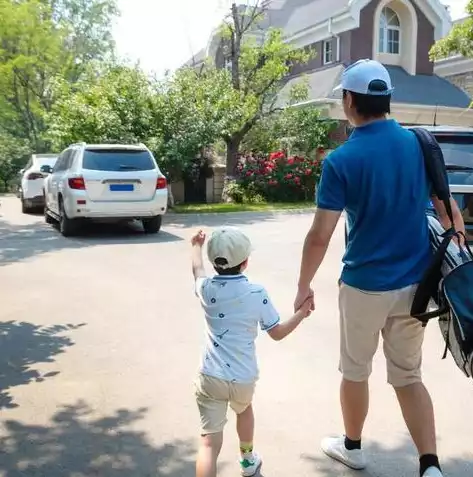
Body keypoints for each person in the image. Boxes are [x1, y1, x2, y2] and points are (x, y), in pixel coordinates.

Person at [294, 59, 465, 477]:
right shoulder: (418, 144)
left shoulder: (341, 160)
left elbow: (320, 235)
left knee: (355, 369)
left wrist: (303, 285)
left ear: (350, 101)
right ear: (387, 100)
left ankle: (352, 447)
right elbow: (449, 211)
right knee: (408, 375)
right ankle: (430, 467)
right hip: (416, 286)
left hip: (363, 286)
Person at [191, 226, 312, 477]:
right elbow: (277, 332)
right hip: (243, 377)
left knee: (208, 443)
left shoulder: (206, 289)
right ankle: (247, 461)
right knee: (244, 410)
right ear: (245, 262)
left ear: (215, 262)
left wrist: (195, 245)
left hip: (210, 376)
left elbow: (197, 270)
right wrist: (301, 313)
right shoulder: (256, 293)